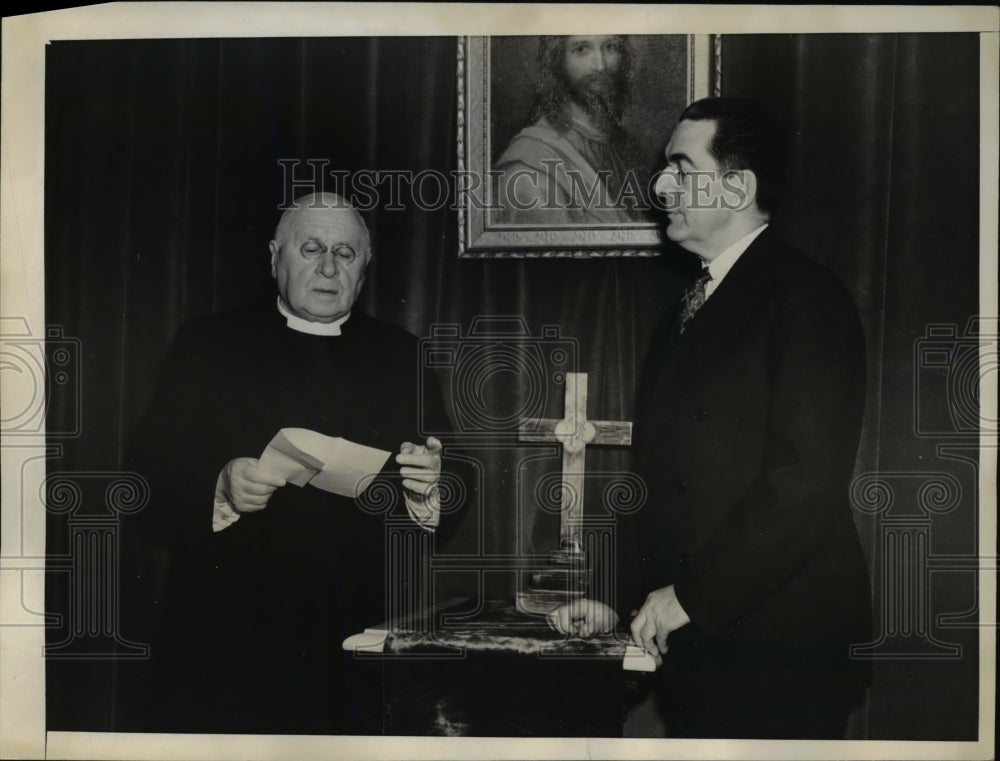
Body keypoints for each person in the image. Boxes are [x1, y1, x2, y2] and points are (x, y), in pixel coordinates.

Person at [550, 97, 872, 738]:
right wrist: (616, 599)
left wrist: (693, 598)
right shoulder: (689, 306)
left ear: (738, 187)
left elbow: (803, 484)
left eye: (679, 167)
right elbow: (662, 477)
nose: (660, 185)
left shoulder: (807, 299)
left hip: (780, 653)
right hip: (703, 648)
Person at [127, 192, 460, 735]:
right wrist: (220, 488)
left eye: (345, 254)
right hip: (227, 639)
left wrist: (428, 494)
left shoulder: (402, 356)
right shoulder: (206, 344)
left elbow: (451, 478)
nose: (329, 266)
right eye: (311, 248)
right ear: (275, 256)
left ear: (366, 266)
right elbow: (144, 474)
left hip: (355, 634)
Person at [493, 35, 648, 224]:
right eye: (582, 49)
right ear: (557, 61)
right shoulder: (530, 171)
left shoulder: (621, 148)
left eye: (610, 47)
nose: (600, 66)